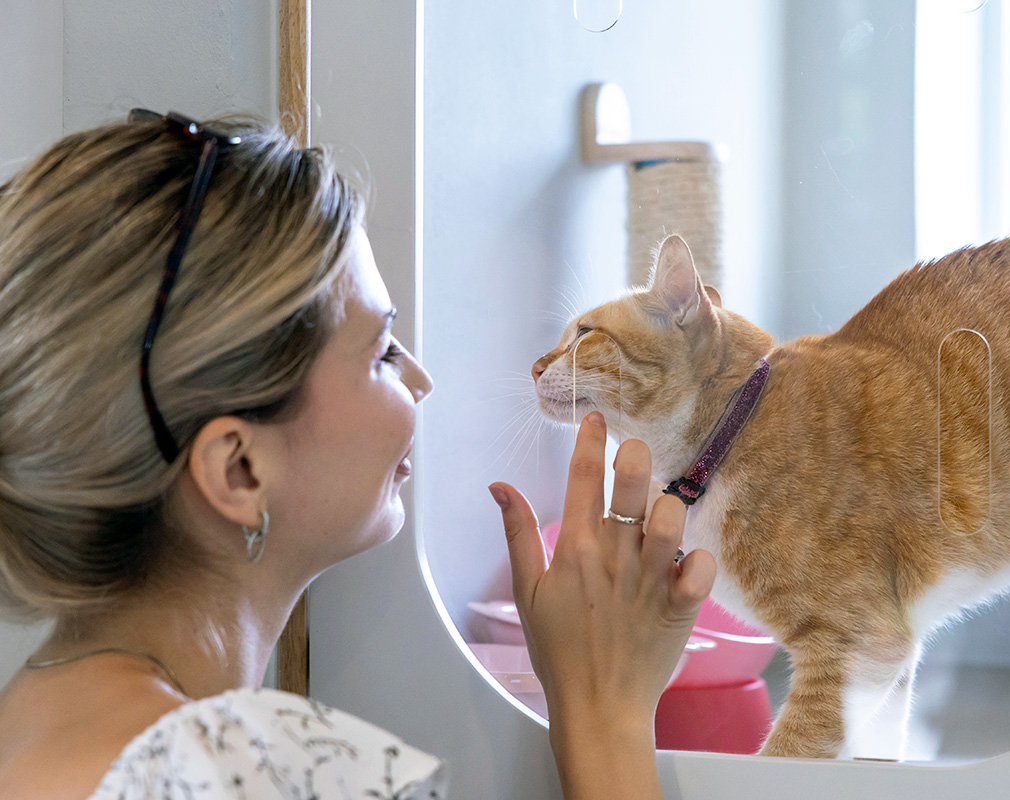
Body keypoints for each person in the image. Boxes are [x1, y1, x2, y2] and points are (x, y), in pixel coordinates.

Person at [0, 111, 716, 799]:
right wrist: (606, 715)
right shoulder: (273, 775)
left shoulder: (24, 728)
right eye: (382, 352)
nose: (420, 379)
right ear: (239, 471)